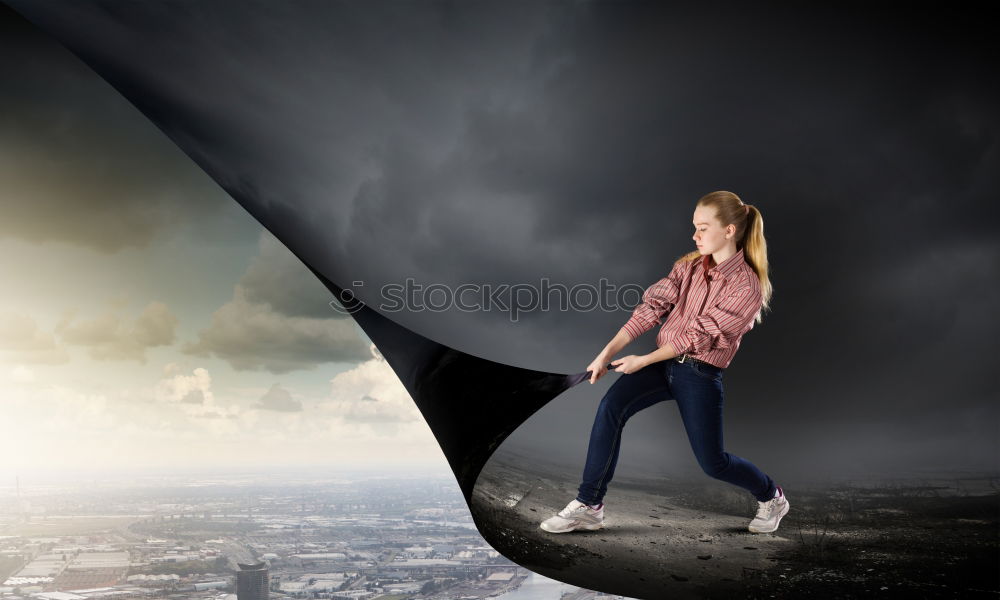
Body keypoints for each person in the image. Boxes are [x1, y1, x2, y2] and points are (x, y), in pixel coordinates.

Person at [540, 191, 789, 535]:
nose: (695, 235)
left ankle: (772, 496)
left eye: (703, 228)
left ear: (730, 230)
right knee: (611, 406)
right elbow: (650, 309)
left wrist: (643, 360)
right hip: (664, 366)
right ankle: (590, 505)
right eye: (694, 227)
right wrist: (606, 354)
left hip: (700, 374)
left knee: (713, 463)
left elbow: (695, 338)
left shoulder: (748, 286)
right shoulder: (687, 266)